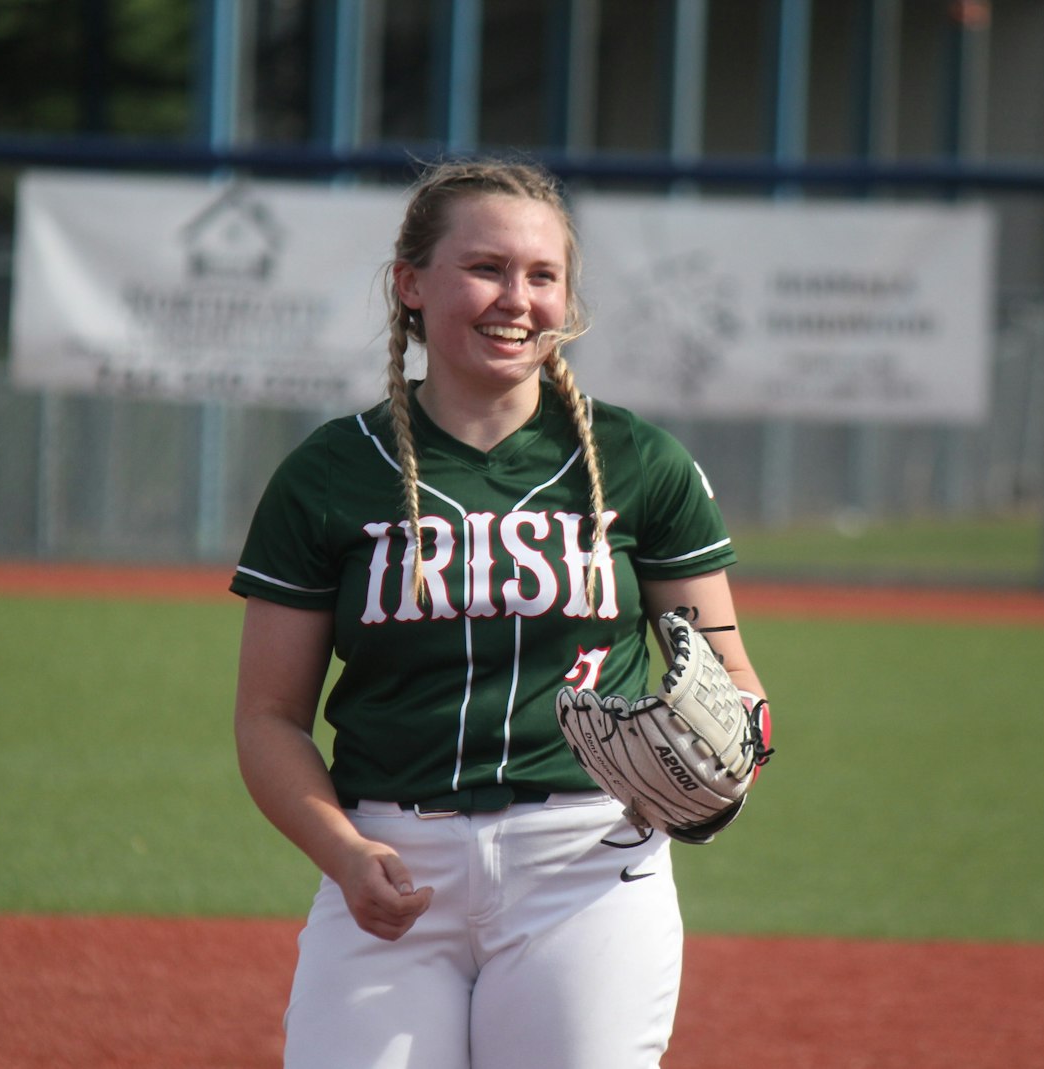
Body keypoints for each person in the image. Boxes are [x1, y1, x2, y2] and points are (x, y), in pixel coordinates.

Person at [230, 158, 770, 1069]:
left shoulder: (644, 464)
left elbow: (733, 674)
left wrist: (735, 750)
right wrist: (347, 855)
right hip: (387, 861)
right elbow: (269, 717)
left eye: (542, 275)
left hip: (591, 866)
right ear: (411, 283)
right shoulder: (330, 473)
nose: (515, 298)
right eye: (485, 267)